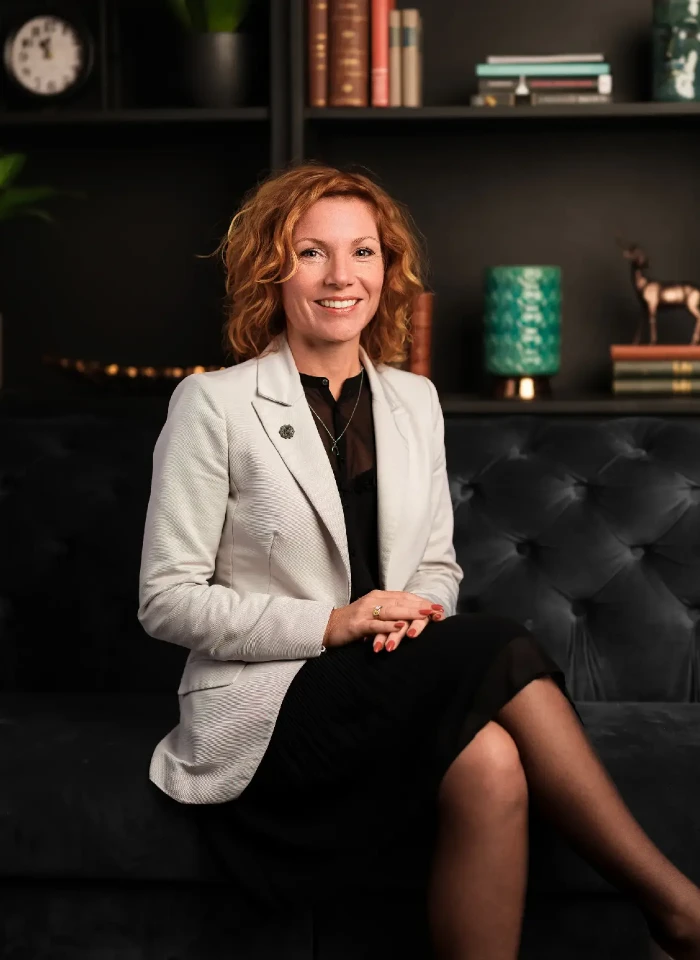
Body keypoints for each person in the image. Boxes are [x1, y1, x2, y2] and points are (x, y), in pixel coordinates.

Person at [138, 162, 700, 960]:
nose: (342, 276)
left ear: (387, 269)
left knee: (493, 761)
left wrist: (414, 617)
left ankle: (676, 915)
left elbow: (437, 567)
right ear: (272, 270)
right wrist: (337, 623)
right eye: (311, 252)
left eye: (363, 252)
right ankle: (676, 908)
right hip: (272, 708)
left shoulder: (414, 402)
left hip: (390, 672)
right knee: (501, 641)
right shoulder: (215, 404)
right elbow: (166, 599)